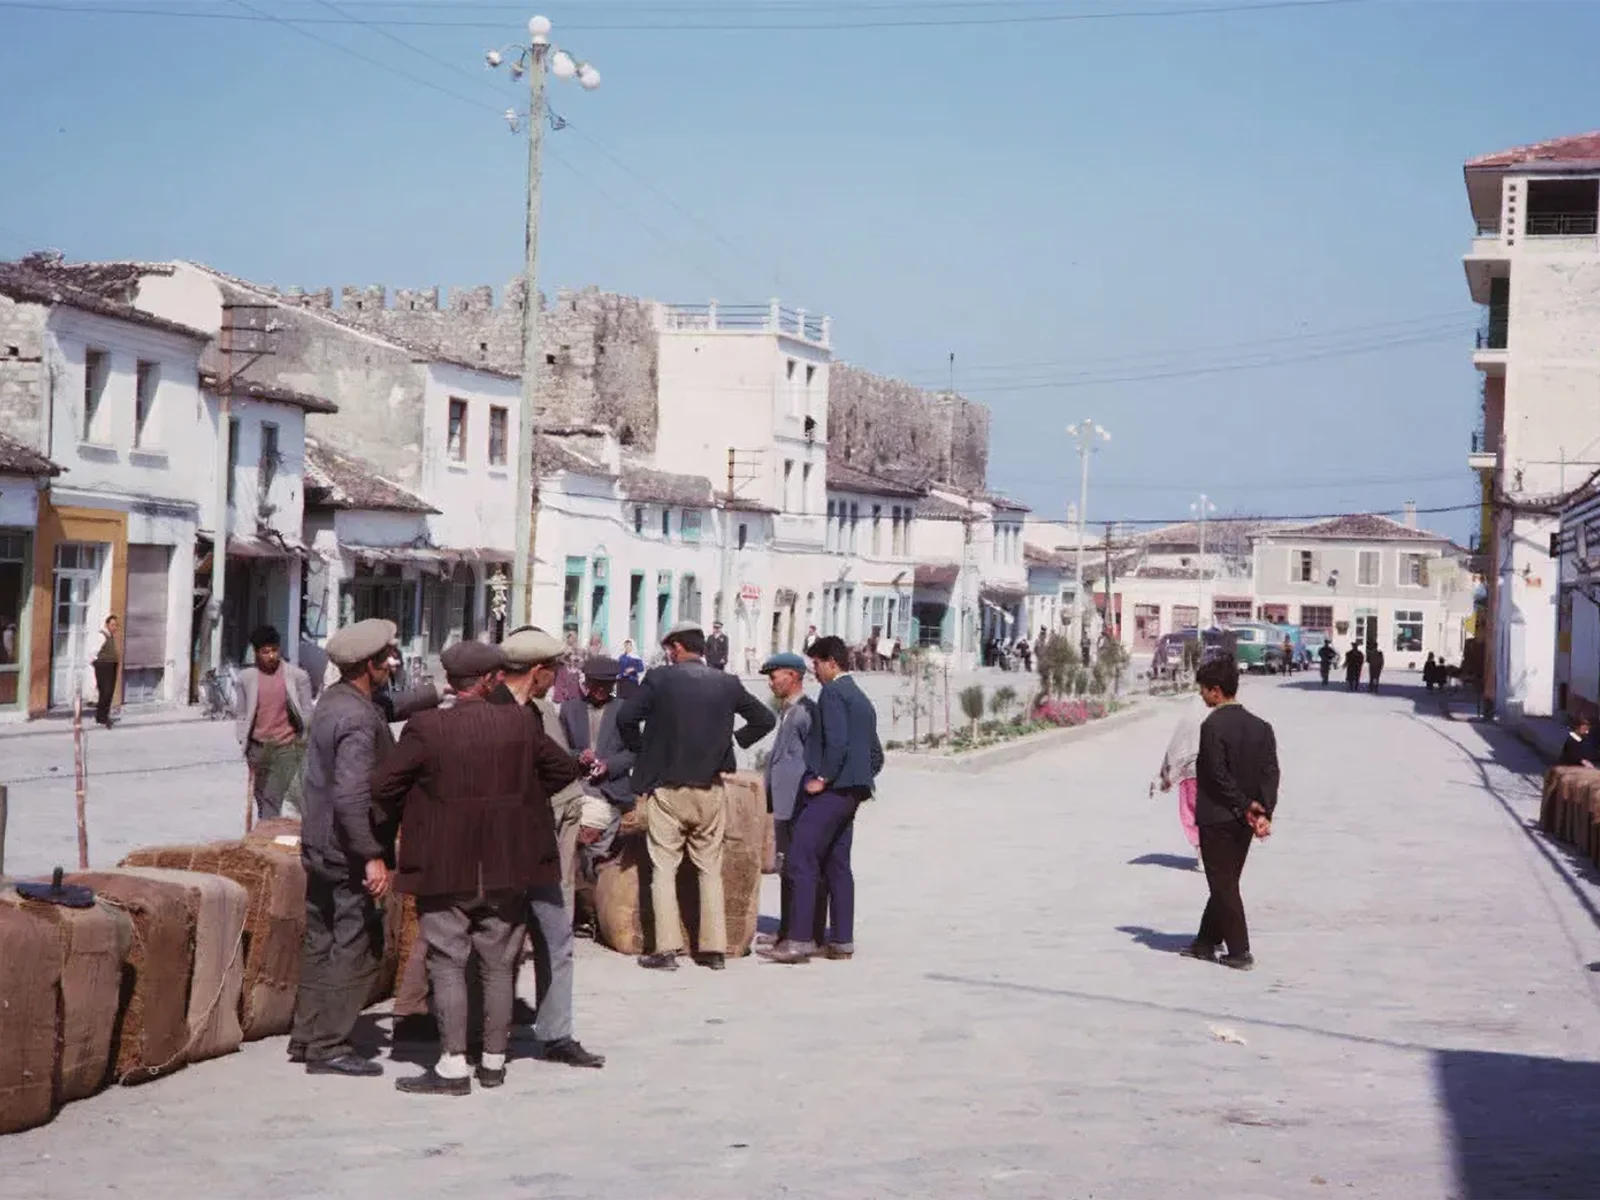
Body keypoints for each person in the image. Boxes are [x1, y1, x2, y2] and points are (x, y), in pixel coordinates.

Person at [371, 640, 584, 1096]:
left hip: (444, 867)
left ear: (451, 682)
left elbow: (384, 785)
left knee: (448, 962)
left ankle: (452, 1065)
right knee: (499, 963)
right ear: (489, 681)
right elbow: (563, 770)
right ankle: (492, 1061)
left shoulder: (426, 727)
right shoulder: (520, 724)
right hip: (509, 867)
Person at [288, 618, 439, 1076]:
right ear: (368, 666)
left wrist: (437, 693)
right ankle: (330, 1045)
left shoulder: (336, 701)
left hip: (318, 843)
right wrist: (371, 854)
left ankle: (307, 1034)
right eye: (387, 659)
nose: (393, 664)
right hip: (347, 850)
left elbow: (385, 708)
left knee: (321, 939)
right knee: (357, 944)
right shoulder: (355, 718)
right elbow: (351, 795)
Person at [617, 620, 776, 971]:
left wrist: (643, 751)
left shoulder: (660, 680)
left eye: (668, 649)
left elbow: (626, 717)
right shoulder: (727, 683)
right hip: (711, 790)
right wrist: (736, 741)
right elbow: (764, 718)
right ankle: (715, 949)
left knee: (663, 868)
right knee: (709, 869)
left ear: (675, 648)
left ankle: (667, 950)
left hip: (669, 789)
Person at [488, 627, 606, 1068]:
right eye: (553, 669)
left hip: (545, 843)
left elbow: (558, 772)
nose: (557, 677)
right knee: (499, 942)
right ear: (537, 671)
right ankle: (486, 1034)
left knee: (556, 938)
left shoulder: (540, 712)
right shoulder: (493, 712)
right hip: (504, 848)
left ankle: (556, 1033)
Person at [764, 635, 884, 965]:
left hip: (833, 791)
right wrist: (862, 779)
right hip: (855, 790)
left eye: (816, 663)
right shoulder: (859, 697)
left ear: (832, 662)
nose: (814, 670)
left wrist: (824, 778)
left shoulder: (832, 693)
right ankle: (841, 941)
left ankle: (801, 940)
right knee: (837, 864)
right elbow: (875, 753)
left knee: (802, 855)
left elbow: (837, 742)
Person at [1179, 657, 1279, 972]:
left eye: (1204, 691)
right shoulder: (1262, 727)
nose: (1203, 697)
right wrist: (1263, 810)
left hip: (1219, 817)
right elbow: (1271, 773)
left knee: (1223, 884)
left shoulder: (1212, 726)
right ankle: (1205, 942)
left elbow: (1217, 775)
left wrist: (1242, 804)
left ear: (1217, 691)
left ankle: (1240, 950)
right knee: (1225, 881)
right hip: (1244, 821)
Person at [755, 652, 817, 949]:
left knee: (796, 867)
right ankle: (785, 928)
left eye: (774, 675)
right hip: (783, 803)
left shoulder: (805, 711)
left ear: (793, 676)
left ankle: (797, 932)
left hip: (797, 802)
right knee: (785, 867)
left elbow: (813, 758)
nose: (770, 683)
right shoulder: (789, 710)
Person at [558, 655, 637, 870]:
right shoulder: (569, 709)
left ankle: (594, 876)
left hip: (611, 788)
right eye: (595, 683)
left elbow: (634, 752)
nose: (600, 688)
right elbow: (560, 750)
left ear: (613, 684)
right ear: (586, 682)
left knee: (598, 845)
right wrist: (578, 756)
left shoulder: (624, 711)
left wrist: (609, 765)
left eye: (606, 684)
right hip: (577, 786)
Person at [236, 625, 315, 820]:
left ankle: (265, 839)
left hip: (285, 747)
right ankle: (269, 834)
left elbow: (307, 711)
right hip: (257, 748)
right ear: (256, 653)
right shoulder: (246, 679)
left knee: (272, 797)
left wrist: (303, 741)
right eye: (265, 652)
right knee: (262, 799)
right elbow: (241, 714)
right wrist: (242, 740)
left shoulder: (297, 676)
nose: (271, 656)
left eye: (274, 650)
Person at [1154, 694, 1208, 870]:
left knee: (1192, 814)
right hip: (1216, 775)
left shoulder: (1189, 720)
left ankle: (1202, 855)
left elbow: (1176, 748)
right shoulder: (1221, 716)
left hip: (1191, 774)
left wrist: (1167, 776)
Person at [93, 614, 120, 727]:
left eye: (116, 625)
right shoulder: (102, 636)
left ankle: (103, 716)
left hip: (110, 666)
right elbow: (94, 652)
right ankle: (101, 718)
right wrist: (96, 663)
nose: (114, 627)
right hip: (104, 666)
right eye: (112, 625)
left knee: (108, 692)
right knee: (105, 692)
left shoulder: (110, 636)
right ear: (107, 624)